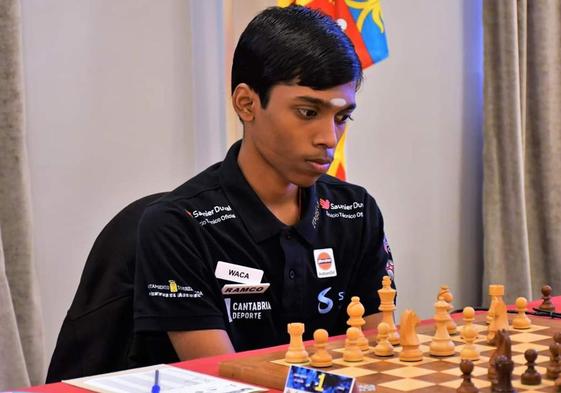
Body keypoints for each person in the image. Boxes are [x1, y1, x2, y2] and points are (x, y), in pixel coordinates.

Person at [133, 5, 395, 365]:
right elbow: (224, 380)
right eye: (307, 112)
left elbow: (380, 358)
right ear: (247, 104)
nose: (328, 138)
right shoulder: (178, 225)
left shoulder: (357, 211)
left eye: (342, 117)